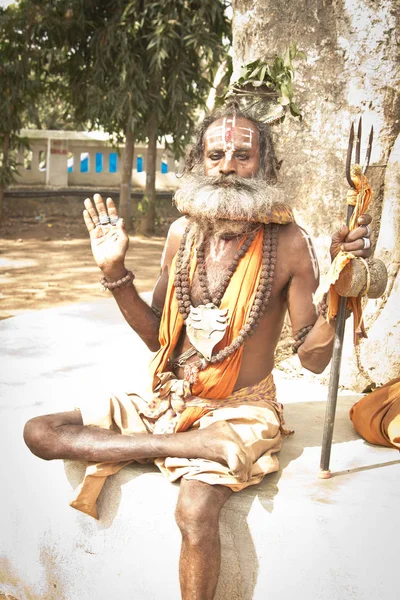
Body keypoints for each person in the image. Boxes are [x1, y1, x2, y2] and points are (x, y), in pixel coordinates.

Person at [23, 101, 372, 600]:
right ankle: (177, 447)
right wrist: (113, 271)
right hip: (172, 404)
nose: (227, 165)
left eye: (241, 156)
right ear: (198, 163)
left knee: (193, 510)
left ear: (265, 167)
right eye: (215, 154)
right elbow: (157, 340)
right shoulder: (180, 235)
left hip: (243, 410)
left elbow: (313, 359)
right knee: (40, 432)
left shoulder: (289, 242)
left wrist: (337, 294)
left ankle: (183, 448)